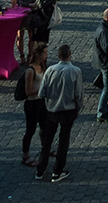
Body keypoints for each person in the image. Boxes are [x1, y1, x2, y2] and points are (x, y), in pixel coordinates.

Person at [37, 43, 83, 181]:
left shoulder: (50, 70)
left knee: (47, 140)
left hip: (51, 110)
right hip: (68, 111)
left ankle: (40, 169)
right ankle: (57, 171)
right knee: (64, 140)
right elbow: (78, 94)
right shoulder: (75, 71)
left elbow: (41, 92)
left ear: (58, 56)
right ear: (70, 55)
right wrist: (78, 108)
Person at [18, 43, 48, 166]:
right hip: (32, 104)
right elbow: (28, 91)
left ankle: (45, 148)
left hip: (42, 102)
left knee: (45, 127)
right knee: (30, 130)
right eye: (45, 53)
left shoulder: (43, 66)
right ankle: (25, 156)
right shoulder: (30, 71)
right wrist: (43, 90)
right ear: (39, 54)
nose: (46, 55)